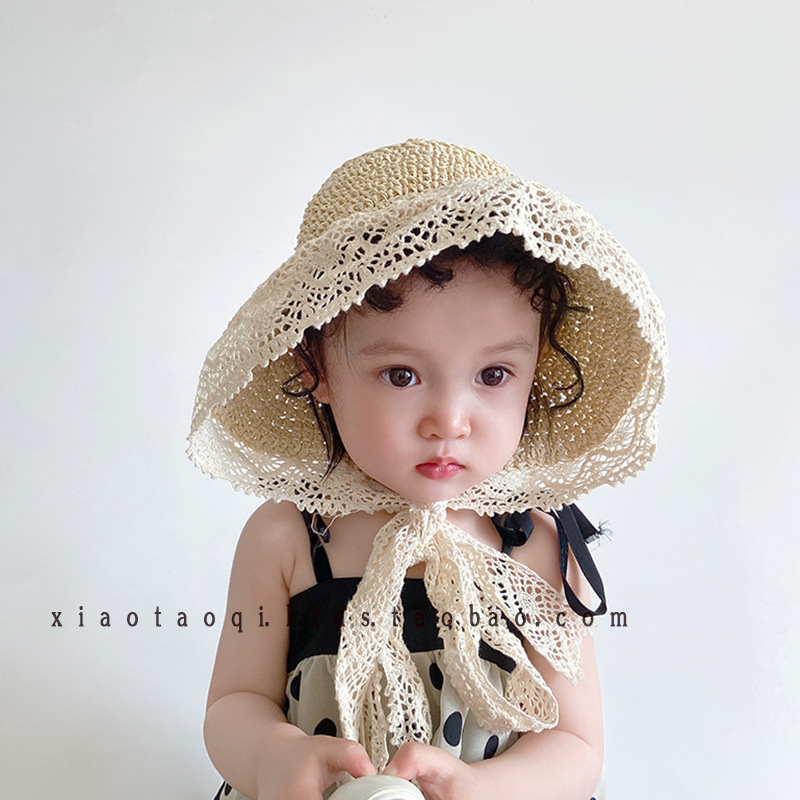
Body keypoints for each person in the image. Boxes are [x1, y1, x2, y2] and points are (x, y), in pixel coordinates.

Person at [188, 139, 667, 800]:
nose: (450, 420)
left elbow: (575, 744)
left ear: (534, 371)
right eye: (402, 375)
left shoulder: (534, 543)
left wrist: (482, 790)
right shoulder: (289, 538)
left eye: (493, 375)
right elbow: (235, 702)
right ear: (314, 368)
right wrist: (274, 756)